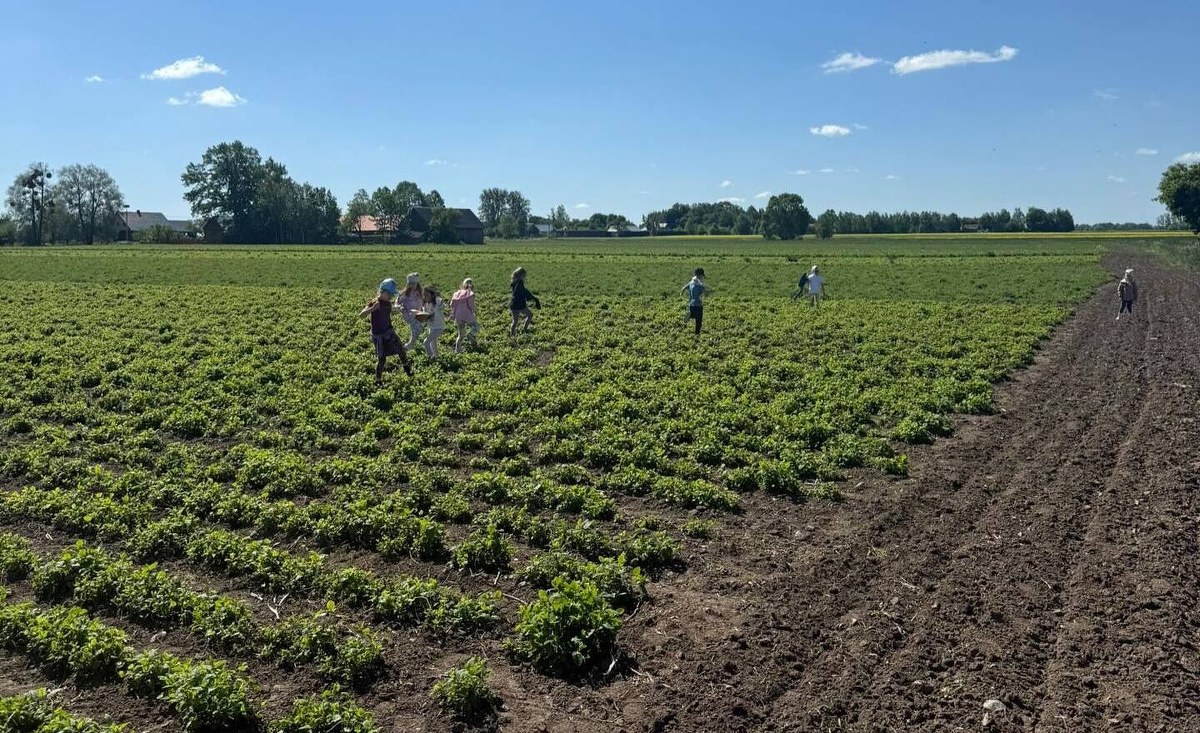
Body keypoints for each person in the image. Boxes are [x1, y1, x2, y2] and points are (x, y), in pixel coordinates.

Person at [359, 278, 412, 384]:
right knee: (382, 359)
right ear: (383, 292)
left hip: (389, 332)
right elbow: (361, 315)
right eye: (390, 295)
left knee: (401, 350)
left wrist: (397, 310)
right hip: (378, 335)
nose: (391, 297)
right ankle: (378, 379)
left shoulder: (387, 303)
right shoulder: (375, 303)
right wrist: (372, 309)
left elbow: (389, 310)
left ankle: (407, 369)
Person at [451, 277, 480, 352]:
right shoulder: (469, 293)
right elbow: (471, 305)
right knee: (476, 326)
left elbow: (452, 304)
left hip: (459, 316)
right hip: (467, 314)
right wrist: (474, 311)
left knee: (461, 334)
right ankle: (471, 334)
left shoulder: (457, 293)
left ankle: (457, 350)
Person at [509, 267, 541, 336]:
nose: (525, 277)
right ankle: (525, 329)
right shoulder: (520, 283)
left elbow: (522, 292)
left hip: (513, 305)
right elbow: (525, 292)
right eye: (524, 276)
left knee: (515, 321)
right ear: (521, 276)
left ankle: (512, 334)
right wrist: (534, 298)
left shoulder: (514, 283)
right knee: (530, 315)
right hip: (520, 305)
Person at [398, 273, 425, 350]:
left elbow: (424, 302)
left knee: (417, 329)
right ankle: (411, 344)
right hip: (408, 314)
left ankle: (413, 343)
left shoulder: (420, 292)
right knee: (416, 327)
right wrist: (399, 307)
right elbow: (398, 302)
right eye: (410, 284)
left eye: (414, 284)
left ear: (417, 283)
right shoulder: (405, 293)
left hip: (418, 314)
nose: (412, 285)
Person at [682, 267, 709, 335]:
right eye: (702, 275)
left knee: (694, 314)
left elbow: (684, 288)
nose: (703, 277)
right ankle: (697, 334)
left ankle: (690, 315)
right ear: (700, 275)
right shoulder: (700, 284)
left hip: (691, 304)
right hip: (698, 305)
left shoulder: (691, 282)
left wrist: (682, 292)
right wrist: (706, 293)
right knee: (699, 321)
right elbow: (706, 293)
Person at [422, 286, 447, 359]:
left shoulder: (437, 301)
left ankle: (431, 358)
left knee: (426, 342)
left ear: (432, 294)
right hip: (431, 327)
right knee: (433, 343)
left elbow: (442, 305)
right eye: (425, 294)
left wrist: (440, 299)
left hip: (438, 327)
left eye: (428, 294)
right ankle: (436, 357)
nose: (426, 296)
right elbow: (425, 315)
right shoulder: (425, 304)